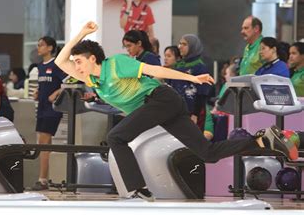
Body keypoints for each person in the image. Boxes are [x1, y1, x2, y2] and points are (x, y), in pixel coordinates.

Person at [54, 21, 296, 200]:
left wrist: (192, 79)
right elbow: (59, 61)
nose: (75, 66)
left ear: (93, 59)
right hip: (161, 107)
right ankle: (263, 141)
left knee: (116, 136)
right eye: (75, 63)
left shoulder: (117, 64)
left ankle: (137, 189)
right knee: (208, 153)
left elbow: (157, 71)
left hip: (161, 100)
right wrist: (81, 34)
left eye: (79, 61)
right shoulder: (91, 78)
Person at [32, 36, 68, 191]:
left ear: (50, 48)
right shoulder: (39, 66)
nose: (38, 47)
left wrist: (56, 93)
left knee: (43, 144)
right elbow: (44, 85)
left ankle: (42, 179)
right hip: (41, 108)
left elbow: (68, 83)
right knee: (45, 144)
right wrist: (38, 92)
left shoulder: (56, 65)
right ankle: (47, 177)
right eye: (38, 45)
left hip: (51, 110)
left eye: (41, 45)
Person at [168, 34, 210, 129]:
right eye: (179, 43)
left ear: (193, 47)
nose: (180, 47)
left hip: (193, 113)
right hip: (177, 112)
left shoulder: (200, 67)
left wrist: (195, 114)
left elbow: (202, 94)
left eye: (184, 44)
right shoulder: (178, 66)